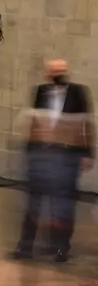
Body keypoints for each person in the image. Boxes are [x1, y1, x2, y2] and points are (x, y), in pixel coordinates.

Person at [13, 59, 94, 263]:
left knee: (63, 205)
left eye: (61, 69)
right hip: (42, 155)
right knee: (33, 202)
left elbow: (88, 123)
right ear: (48, 73)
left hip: (67, 156)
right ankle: (25, 247)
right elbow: (34, 121)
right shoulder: (40, 92)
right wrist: (30, 148)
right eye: (53, 70)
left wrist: (88, 153)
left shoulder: (78, 92)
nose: (57, 73)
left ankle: (60, 248)